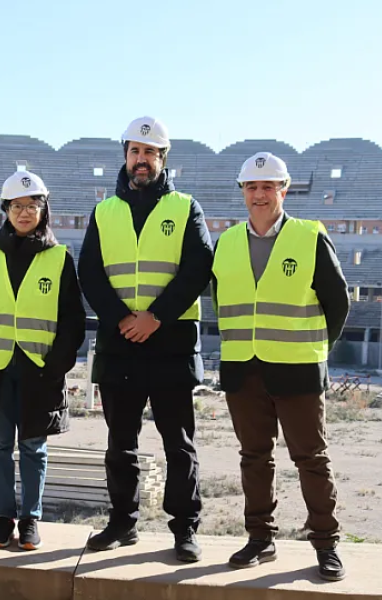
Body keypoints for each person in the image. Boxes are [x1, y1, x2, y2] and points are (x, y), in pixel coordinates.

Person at [78, 117, 213, 561]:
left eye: (150, 153)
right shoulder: (104, 211)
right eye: (135, 151)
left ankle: (185, 528)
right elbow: (90, 273)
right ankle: (122, 523)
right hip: (121, 344)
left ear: (162, 159)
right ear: (126, 156)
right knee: (121, 443)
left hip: (170, 342)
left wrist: (154, 317)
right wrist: (122, 319)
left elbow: (198, 269)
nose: (142, 160)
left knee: (179, 443)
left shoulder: (185, 208)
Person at [212, 152, 350, 581]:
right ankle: (260, 539)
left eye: (268, 187)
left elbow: (338, 302)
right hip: (243, 370)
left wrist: (315, 350)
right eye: (252, 187)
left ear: (283, 190)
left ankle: (326, 544)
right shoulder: (227, 242)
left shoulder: (309, 237)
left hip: (297, 370)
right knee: (254, 457)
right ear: (242, 192)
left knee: (310, 458)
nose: (259, 194)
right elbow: (221, 301)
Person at [0, 171, 85, 550]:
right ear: (5, 210)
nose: (25, 212)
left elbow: (72, 319)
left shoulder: (59, 258)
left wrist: (56, 365)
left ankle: (30, 518)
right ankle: (2, 518)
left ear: (44, 209)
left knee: (33, 448)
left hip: (38, 371)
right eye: (17, 206)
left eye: (32, 205)